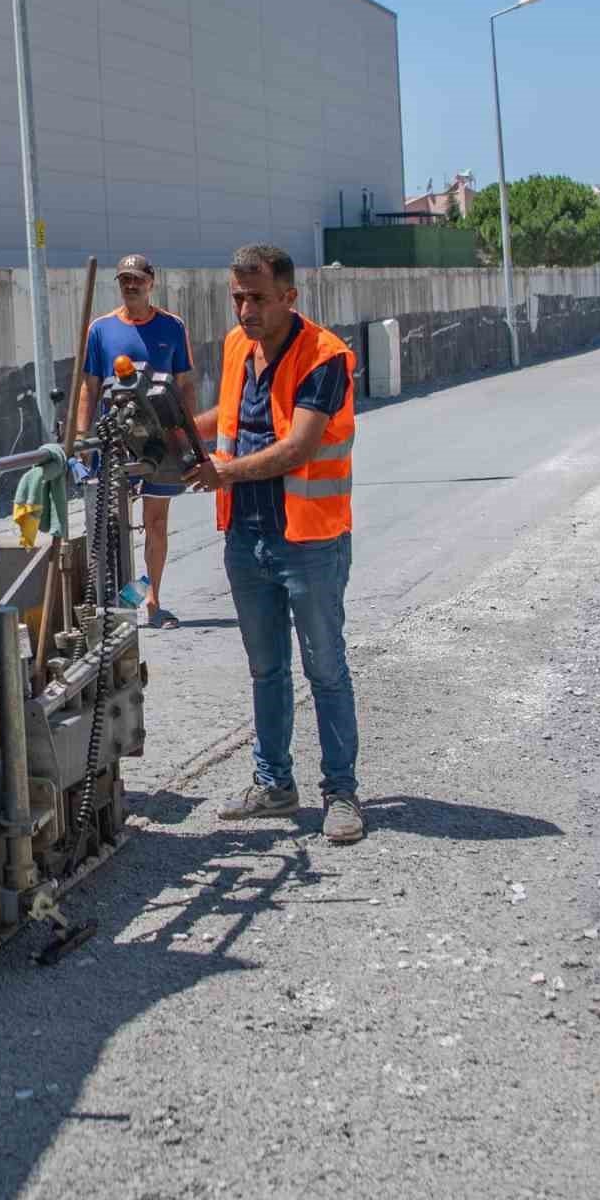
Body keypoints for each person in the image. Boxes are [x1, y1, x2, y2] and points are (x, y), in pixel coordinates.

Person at [188, 243, 363, 845]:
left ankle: (341, 793)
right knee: (266, 669)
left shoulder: (325, 357)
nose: (245, 309)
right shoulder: (240, 345)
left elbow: (299, 449)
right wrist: (179, 430)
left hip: (308, 539)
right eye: (237, 297)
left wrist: (222, 473)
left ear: (289, 296)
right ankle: (273, 784)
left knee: (325, 668)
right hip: (247, 534)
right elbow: (230, 415)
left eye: (257, 298)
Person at [75, 254, 195, 630]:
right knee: (110, 525)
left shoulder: (172, 327)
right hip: (114, 440)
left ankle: (153, 601)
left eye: (137, 279)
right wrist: (81, 441)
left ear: (150, 282)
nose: (131, 285)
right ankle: (115, 605)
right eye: (124, 279)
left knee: (155, 523)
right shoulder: (101, 330)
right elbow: (89, 387)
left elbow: (186, 383)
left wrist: (189, 436)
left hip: (159, 440)